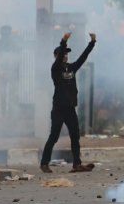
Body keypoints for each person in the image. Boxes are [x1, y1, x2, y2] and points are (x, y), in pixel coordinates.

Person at [40, 32, 96, 173]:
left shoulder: (70, 68)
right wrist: (63, 41)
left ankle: (77, 164)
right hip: (58, 109)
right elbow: (59, 59)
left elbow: (83, 58)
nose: (65, 55)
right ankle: (44, 163)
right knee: (54, 136)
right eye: (63, 54)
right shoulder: (55, 69)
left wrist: (92, 43)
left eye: (66, 54)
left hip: (70, 109)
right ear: (57, 56)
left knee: (75, 136)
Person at [0, 25, 21, 112]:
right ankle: (8, 112)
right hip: (5, 70)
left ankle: (9, 112)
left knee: (9, 93)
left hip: (9, 70)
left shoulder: (8, 43)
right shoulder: (11, 43)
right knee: (6, 93)